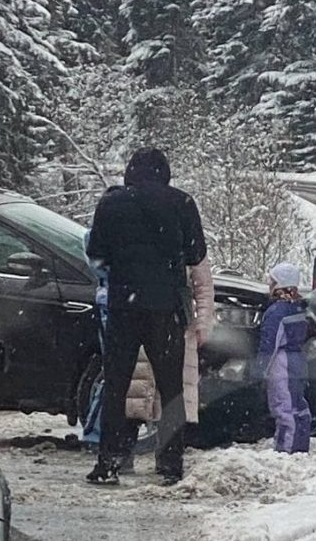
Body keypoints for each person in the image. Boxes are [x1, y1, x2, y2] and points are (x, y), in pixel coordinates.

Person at [85, 147, 207, 486]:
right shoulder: (181, 203)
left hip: (125, 307)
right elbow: (197, 253)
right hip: (167, 308)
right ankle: (170, 464)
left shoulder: (111, 203)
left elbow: (96, 254)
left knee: (116, 385)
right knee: (171, 389)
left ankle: (109, 461)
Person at [121, 256, 215, 472]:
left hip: (177, 324)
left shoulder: (186, 242)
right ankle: (124, 452)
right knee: (135, 394)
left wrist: (203, 322)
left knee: (171, 396)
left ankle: (167, 458)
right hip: (146, 319)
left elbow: (204, 285)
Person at [255, 262, 311, 454]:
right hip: (298, 359)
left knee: (283, 407)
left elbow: (270, 343)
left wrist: (260, 368)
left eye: (272, 282)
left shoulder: (277, 311)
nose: (270, 286)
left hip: (282, 363)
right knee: (298, 405)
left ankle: (286, 450)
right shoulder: (299, 307)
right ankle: (301, 445)